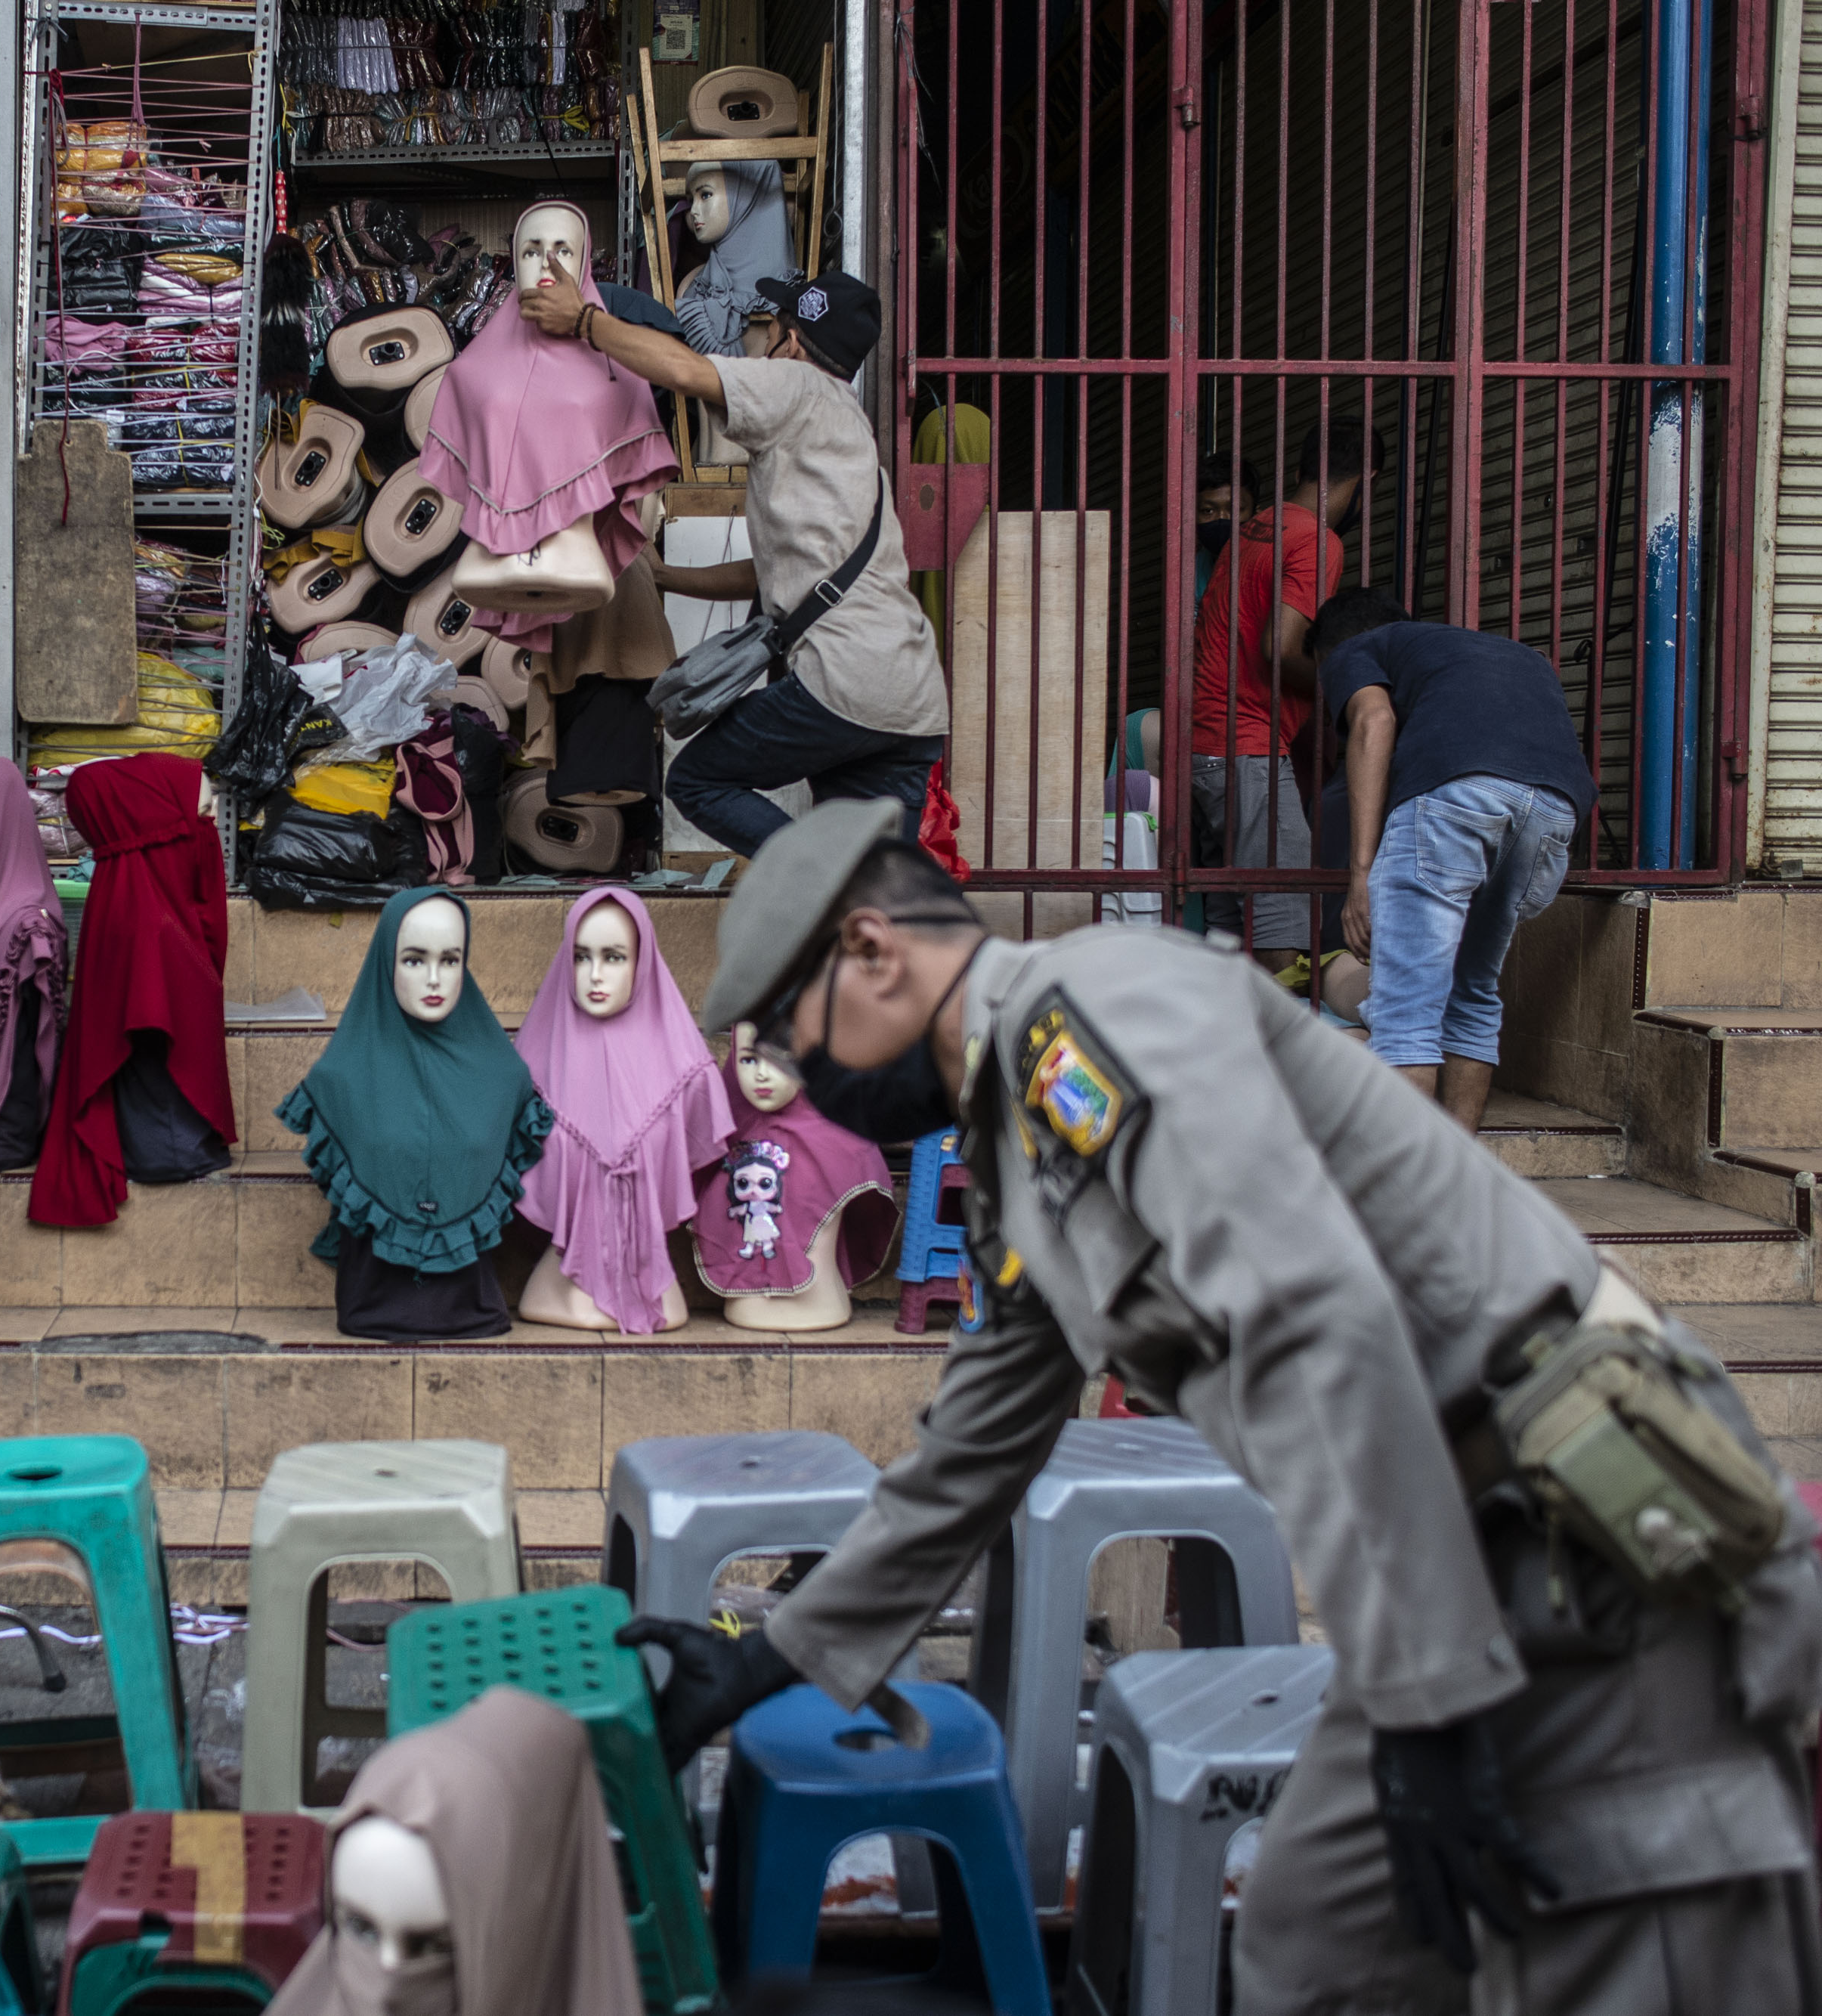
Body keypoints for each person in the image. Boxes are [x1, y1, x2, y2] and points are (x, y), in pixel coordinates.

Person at [625, 798, 1822, 2016]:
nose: (806, 1073)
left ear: (873, 950)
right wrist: (773, 1657)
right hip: (1445, 1570)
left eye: (797, 1029)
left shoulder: (1099, 1010)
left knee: (1620, 1951)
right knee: (1317, 1946)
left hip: (1589, 1538)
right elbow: (974, 1449)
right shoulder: (1015, 1135)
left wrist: (1428, 1699)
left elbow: (1315, 1307)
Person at [521, 270, 948, 856]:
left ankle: (818, 876)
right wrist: (666, 576)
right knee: (881, 878)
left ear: (791, 342)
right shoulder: (850, 435)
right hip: (911, 700)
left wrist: (584, 321)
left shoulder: (797, 384)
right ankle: (852, 892)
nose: (759, 341)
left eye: (768, 329)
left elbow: (687, 372)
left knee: (698, 781)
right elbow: (770, 576)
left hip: (844, 681)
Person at [1318, 586, 1597, 1132]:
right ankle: (1458, 1170)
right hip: (1555, 808)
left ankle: (1405, 1178)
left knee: (1405, 1010)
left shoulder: (1355, 648)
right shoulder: (1501, 654)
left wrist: (1361, 875)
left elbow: (1374, 722)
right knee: (1471, 993)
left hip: (1457, 792)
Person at [1186, 412, 1381, 968]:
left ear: (1300, 469)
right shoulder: (1318, 542)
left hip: (1206, 747)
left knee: (1227, 927)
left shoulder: (1256, 527)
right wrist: (1347, 685)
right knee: (1281, 924)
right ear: (1365, 482)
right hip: (1249, 749)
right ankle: (1284, 1028)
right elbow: (1281, 646)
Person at [1190, 446, 1264, 610]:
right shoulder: (1192, 571)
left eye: (1235, 509)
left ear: (1256, 516)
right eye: (1208, 511)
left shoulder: (1270, 565)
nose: (1222, 518)